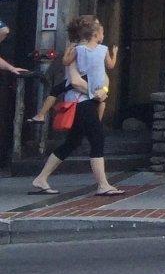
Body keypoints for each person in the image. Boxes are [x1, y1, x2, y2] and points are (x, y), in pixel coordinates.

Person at [30, 17, 123, 197]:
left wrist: (102, 90)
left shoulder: (88, 50)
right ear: (94, 33)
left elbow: (104, 76)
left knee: (72, 142)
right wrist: (95, 92)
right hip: (81, 101)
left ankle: (41, 178)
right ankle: (102, 184)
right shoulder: (76, 51)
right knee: (97, 137)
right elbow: (74, 80)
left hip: (89, 98)